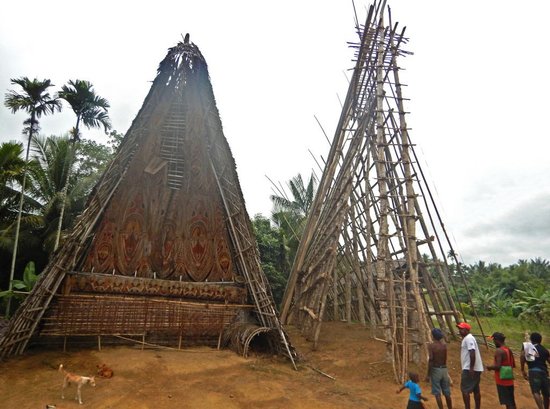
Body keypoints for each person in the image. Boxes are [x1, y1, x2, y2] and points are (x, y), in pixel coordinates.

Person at [485, 332, 516, 409]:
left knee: (508, 402)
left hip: (502, 380)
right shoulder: (508, 350)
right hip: (509, 378)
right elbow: (513, 364)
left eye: (494, 340)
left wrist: (489, 367)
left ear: (497, 340)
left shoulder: (499, 351)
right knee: (511, 401)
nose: (493, 342)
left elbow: (498, 366)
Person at [457, 322, 483, 409]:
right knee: (476, 389)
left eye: (462, 329)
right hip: (475, 368)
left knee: (465, 390)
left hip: (469, 368)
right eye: (459, 329)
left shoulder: (468, 338)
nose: (460, 331)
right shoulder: (468, 338)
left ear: (467, 330)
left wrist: (471, 368)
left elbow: (472, 352)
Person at [520, 332, 550, 409]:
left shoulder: (528, 347)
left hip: (533, 372)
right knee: (546, 393)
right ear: (540, 340)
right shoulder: (544, 350)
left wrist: (523, 369)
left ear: (531, 340)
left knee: (536, 391)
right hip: (544, 372)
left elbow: (522, 356)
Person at [426, 328, 453, 409]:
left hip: (436, 370)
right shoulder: (444, 346)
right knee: (447, 393)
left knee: (437, 393)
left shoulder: (432, 346)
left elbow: (431, 360)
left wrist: (428, 374)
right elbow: (445, 359)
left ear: (433, 336)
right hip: (444, 369)